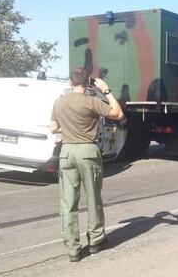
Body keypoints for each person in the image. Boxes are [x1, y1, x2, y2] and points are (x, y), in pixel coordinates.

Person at [50, 67, 124, 262]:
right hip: (88, 153)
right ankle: (96, 241)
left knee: (68, 203)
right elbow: (118, 113)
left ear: (70, 82)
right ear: (88, 83)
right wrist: (106, 90)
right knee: (93, 198)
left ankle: (73, 249)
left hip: (66, 153)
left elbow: (53, 128)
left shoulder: (59, 102)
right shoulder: (92, 102)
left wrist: (66, 126)